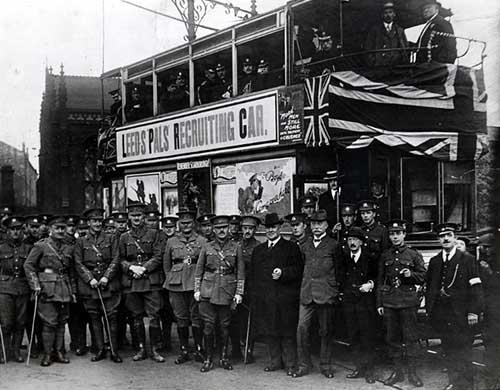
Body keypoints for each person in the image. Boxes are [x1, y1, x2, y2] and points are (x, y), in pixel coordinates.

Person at [426, 223, 483, 390]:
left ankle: (466, 385)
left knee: (464, 350)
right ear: (438, 239)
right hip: (442, 314)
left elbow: (476, 287)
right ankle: (454, 382)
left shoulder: (467, 260)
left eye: (449, 235)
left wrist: (473, 311)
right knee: (448, 349)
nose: (445, 238)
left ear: (455, 238)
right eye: (442, 236)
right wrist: (430, 309)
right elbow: (430, 286)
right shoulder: (435, 261)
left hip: (462, 313)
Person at [249, 213, 303, 376]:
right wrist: (255, 297)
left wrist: (283, 273)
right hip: (266, 298)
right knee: (270, 330)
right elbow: (253, 276)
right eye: (268, 227)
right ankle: (275, 362)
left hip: (285, 298)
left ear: (279, 228)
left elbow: (298, 270)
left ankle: (290, 364)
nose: (270, 230)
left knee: (287, 331)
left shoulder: (291, 247)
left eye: (273, 227)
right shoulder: (258, 250)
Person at [377, 220, 425, 387]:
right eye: (392, 234)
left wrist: (410, 274)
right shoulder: (385, 255)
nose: (395, 237)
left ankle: (413, 373)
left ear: (404, 234)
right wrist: (379, 303)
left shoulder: (413, 254)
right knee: (392, 339)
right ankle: (397, 372)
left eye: (398, 233)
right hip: (390, 302)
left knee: (411, 338)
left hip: (407, 302)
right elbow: (380, 280)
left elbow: (423, 276)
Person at [24, 216, 77, 367]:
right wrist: (35, 285)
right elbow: (29, 266)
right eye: (57, 228)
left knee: (62, 322)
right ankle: (47, 354)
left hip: (64, 288)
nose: (61, 231)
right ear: (50, 230)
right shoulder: (41, 246)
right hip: (46, 288)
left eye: (63, 228)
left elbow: (70, 271)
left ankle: (59, 352)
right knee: (49, 323)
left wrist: (73, 291)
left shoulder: (68, 247)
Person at [194, 215, 244, 373]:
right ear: (213, 230)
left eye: (224, 227)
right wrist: (197, 289)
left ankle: (223, 357)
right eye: (217, 228)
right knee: (208, 327)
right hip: (207, 290)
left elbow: (240, 272)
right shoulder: (206, 247)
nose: (221, 231)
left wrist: (239, 293)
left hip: (226, 291)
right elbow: (199, 270)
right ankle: (208, 359)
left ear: (229, 228)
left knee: (224, 327)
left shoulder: (236, 247)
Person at [293, 210, 338, 379]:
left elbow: (339, 270)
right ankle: (303, 365)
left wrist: (334, 291)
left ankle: (326, 365)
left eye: (320, 223)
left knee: (325, 331)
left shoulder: (333, 245)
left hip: (326, 294)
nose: (316, 227)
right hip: (307, 294)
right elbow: (301, 268)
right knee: (302, 329)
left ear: (326, 225)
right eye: (313, 224)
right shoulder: (305, 246)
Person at [73, 208, 122, 363]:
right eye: (94, 221)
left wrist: (107, 276)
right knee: (94, 316)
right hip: (91, 285)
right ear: (88, 223)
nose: (97, 224)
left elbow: (116, 258)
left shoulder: (111, 238)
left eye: (100, 220)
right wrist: (89, 279)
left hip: (108, 283)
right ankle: (100, 349)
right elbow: (78, 262)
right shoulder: (81, 241)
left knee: (112, 316)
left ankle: (114, 350)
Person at [118, 202, 165, 363]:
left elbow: (159, 256)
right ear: (129, 218)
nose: (136, 218)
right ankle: (140, 349)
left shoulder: (155, 234)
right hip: (132, 280)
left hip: (150, 280)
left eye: (139, 215)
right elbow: (120, 259)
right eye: (133, 215)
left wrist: (143, 269)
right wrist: (131, 268)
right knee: (135, 315)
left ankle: (154, 349)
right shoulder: (124, 237)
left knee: (154, 315)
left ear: (144, 217)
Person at [163, 209, 206, 364]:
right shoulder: (171, 241)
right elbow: (166, 264)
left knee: (196, 317)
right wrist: (171, 277)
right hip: (176, 284)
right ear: (179, 224)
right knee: (181, 317)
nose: (186, 225)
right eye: (183, 223)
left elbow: (205, 263)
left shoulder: (202, 241)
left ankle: (199, 349)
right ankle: (184, 350)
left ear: (193, 223)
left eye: (189, 222)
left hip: (195, 282)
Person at [337, 227, 377, 383]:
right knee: (353, 336)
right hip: (349, 302)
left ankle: (370, 371)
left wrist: (370, 284)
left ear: (361, 242)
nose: (352, 243)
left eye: (355, 240)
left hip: (365, 303)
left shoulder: (370, 258)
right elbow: (340, 277)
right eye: (349, 240)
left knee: (367, 336)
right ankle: (359, 367)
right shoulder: (344, 258)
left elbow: (377, 277)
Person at [0, 216, 33, 363]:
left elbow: (32, 268)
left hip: (23, 287)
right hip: (4, 288)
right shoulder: (1, 248)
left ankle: (16, 351)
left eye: (18, 229)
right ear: (7, 231)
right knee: (6, 323)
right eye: (12, 229)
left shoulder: (28, 248)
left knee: (20, 322)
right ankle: (4, 351)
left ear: (22, 231)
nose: (15, 232)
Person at [477, 231, 500, 389]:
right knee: (490, 344)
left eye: (486, 247)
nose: (484, 250)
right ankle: (491, 378)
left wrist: (489, 273)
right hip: (490, 311)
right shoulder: (482, 264)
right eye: (481, 247)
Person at [237, 215, 261, 363]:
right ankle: (237, 346)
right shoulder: (236, 245)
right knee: (237, 318)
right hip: (238, 285)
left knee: (251, 319)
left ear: (255, 230)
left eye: (250, 229)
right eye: (245, 228)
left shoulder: (259, 246)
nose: (247, 231)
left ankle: (249, 348)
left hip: (252, 285)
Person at [365, 1, 408, 67]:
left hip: (396, 66)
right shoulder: (375, 30)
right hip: (379, 66)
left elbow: (404, 48)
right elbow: (368, 48)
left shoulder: (399, 30)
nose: (388, 15)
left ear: (394, 14)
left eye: (390, 12)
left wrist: (401, 62)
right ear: (382, 15)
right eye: (385, 13)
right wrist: (373, 62)